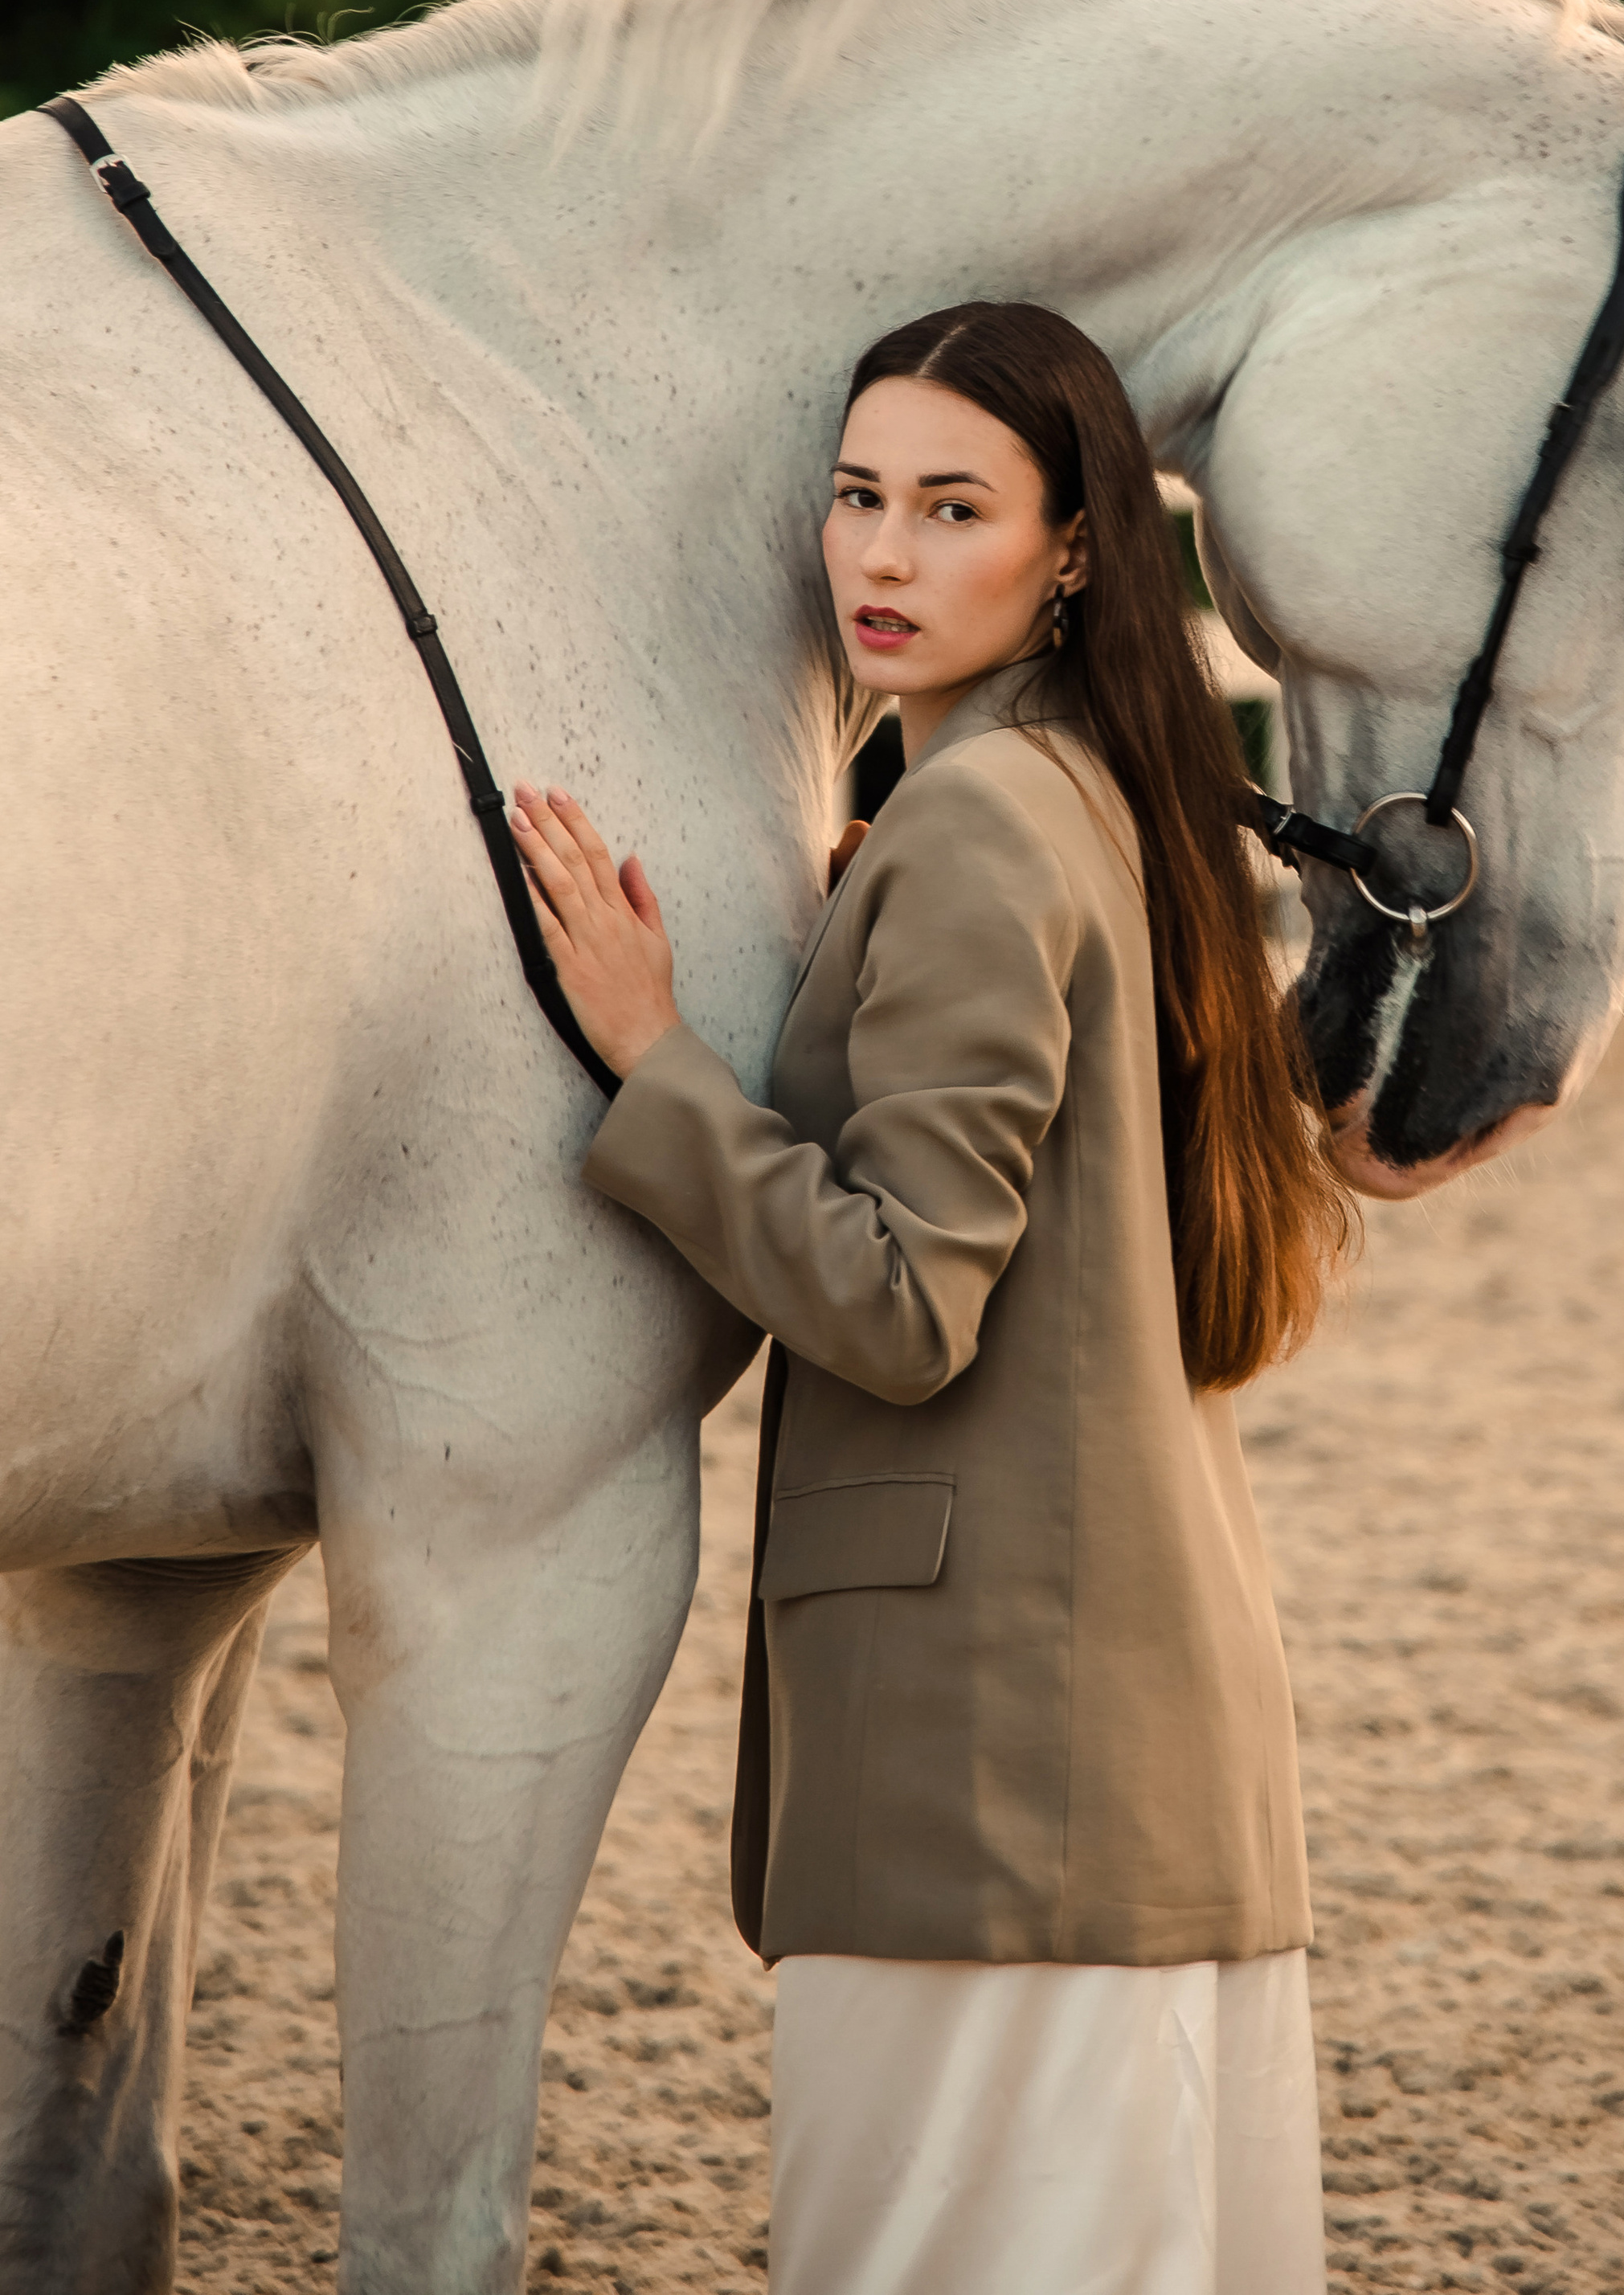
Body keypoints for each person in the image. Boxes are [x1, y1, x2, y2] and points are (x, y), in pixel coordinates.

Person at [509, 301, 1350, 2295]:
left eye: (951, 508)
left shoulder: (980, 825)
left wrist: (658, 1062)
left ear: (1071, 551)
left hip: (993, 1776)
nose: (881, 558)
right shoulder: (1083, 797)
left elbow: (900, 1303)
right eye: (856, 498)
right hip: (1128, 1761)